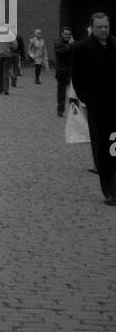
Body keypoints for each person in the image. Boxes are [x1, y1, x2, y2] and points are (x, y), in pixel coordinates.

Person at [69, 13, 116, 205]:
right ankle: (110, 191)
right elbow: (77, 77)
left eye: (106, 26)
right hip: (98, 105)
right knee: (102, 148)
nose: (103, 30)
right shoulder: (81, 48)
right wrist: (88, 98)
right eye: (99, 27)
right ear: (92, 28)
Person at [53, 26, 74, 117]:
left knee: (74, 92)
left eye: (69, 34)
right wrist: (69, 45)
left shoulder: (74, 43)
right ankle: (60, 109)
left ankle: (74, 111)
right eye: (66, 34)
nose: (67, 36)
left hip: (71, 71)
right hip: (61, 70)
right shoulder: (58, 43)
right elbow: (59, 53)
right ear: (62, 34)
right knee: (61, 92)